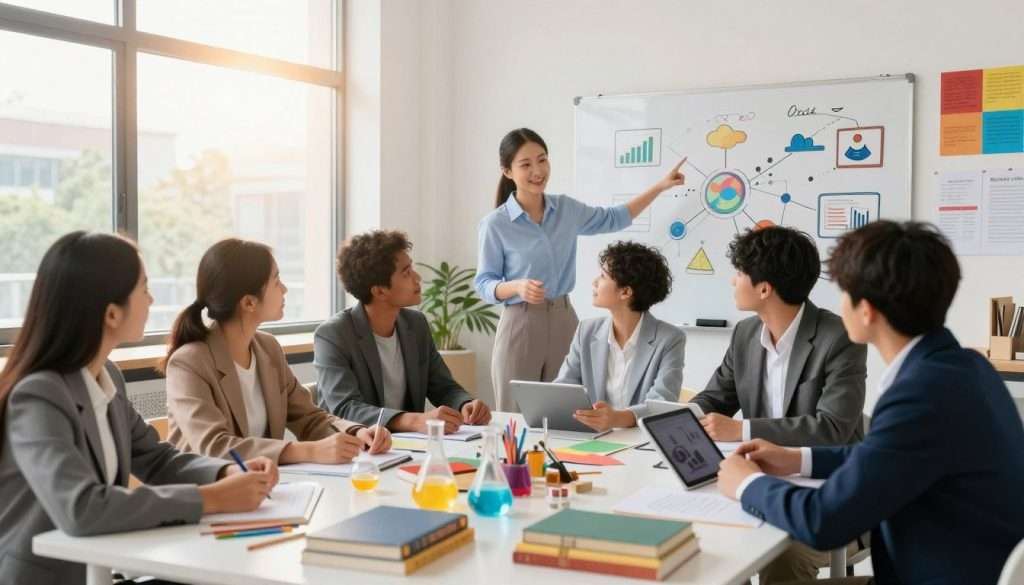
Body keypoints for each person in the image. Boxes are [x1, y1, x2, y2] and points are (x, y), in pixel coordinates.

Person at [719, 221, 1024, 585]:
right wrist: (798, 458)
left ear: (867, 311)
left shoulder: (921, 394)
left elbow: (823, 521)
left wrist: (746, 484)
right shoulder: (964, 366)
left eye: (844, 292)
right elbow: (885, 455)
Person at [0, 232, 277, 585]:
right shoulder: (38, 395)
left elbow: (158, 459)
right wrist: (211, 498)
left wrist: (224, 473)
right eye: (144, 288)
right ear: (112, 313)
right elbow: (82, 509)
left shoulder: (105, 375)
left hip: (99, 569)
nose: (151, 299)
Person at [476, 127, 687, 411]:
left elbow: (615, 218)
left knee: (567, 410)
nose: (538, 170)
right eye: (526, 164)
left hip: (565, 318)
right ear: (508, 171)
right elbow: (485, 283)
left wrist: (660, 186)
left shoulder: (566, 209)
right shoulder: (496, 224)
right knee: (516, 414)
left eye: (542, 160)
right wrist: (516, 287)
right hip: (520, 322)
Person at [163, 238, 391, 464]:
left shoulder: (268, 348)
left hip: (263, 488)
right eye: (276, 281)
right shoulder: (189, 363)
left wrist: (356, 433)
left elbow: (309, 418)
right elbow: (215, 447)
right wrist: (308, 451)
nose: (284, 289)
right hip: (206, 494)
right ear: (249, 303)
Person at [691, 226, 867, 446]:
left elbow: (831, 428)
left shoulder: (839, 337)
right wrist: (680, 417)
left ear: (764, 289)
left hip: (825, 471)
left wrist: (742, 429)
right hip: (761, 464)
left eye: (739, 273)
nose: (733, 281)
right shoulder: (744, 333)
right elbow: (715, 398)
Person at [315, 230, 491, 432]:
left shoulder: (416, 324)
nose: (417, 277)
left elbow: (442, 385)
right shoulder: (333, 334)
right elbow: (345, 408)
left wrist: (464, 403)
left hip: (404, 446)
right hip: (352, 450)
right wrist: (413, 421)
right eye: (406, 273)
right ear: (379, 291)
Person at [554, 241, 685, 431]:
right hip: (591, 439)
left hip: (639, 441)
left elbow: (663, 404)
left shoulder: (670, 339)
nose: (595, 282)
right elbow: (563, 388)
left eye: (603, 276)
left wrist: (618, 418)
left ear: (625, 292)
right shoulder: (586, 330)